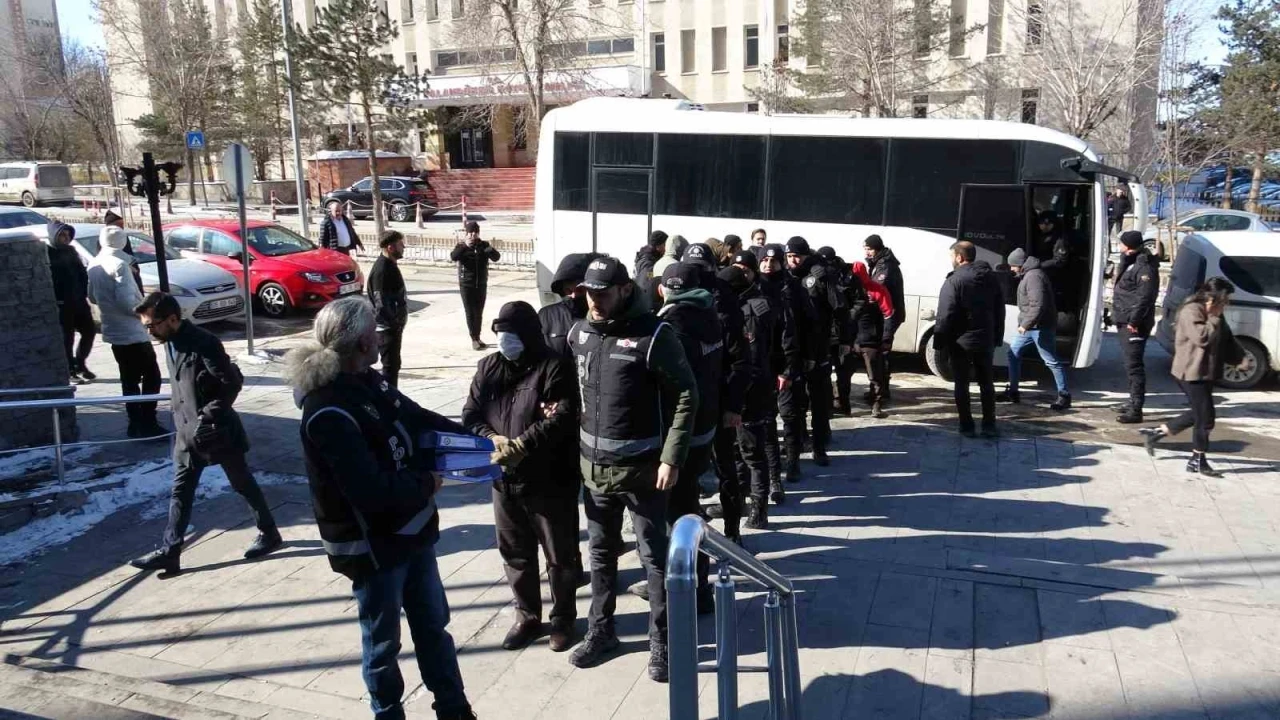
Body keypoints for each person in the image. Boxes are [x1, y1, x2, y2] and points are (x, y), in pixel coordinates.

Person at [286, 296, 477, 720]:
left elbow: (416, 417)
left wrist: (477, 441)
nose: (381, 337)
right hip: (373, 549)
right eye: (375, 331)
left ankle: (454, 709)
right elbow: (370, 491)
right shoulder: (328, 411)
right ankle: (388, 712)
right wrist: (427, 483)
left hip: (414, 533)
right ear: (360, 343)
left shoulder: (369, 380)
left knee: (433, 628)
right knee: (383, 645)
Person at [567, 256, 698, 683]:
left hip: (644, 473)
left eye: (603, 293)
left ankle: (663, 639)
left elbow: (686, 395)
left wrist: (671, 457)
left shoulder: (654, 335)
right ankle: (601, 631)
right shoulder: (579, 333)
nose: (595, 301)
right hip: (594, 472)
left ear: (625, 289)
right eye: (589, 293)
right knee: (601, 554)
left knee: (654, 558)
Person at [129, 292, 281, 573]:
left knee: (242, 482)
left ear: (172, 319)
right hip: (186, 433)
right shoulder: (168, 342)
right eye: (146, 327)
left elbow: (231, 382)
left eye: (152, 325)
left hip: (216, 431)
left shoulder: (204, 342)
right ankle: (170, 552)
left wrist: (209, 415)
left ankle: (269, 532)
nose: (149, 332)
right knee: (181, 492)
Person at [462, 301, 581, 652]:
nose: (505, 340)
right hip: (503, 480)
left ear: (528, 334)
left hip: (549, 480)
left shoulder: (553, 366)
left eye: (511, 334)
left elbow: (561, 416)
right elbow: (471, 413)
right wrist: (492, 438)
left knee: (560, 555)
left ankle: (563, 619)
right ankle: (527, 616)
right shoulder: (488, 367)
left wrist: (522, 445)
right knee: (515, 552)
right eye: (500, 333)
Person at [656, 262, 722, 608]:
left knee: (678, 515)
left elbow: (671, 387)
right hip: (705, 425)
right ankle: (698, 585)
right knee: (689, 504)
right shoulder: (710, 317)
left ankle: (692, 588)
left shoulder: (672, 326)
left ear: (662, 290)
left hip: (680, 433)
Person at [1141, 278, 1247, 478]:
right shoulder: (1191, 311)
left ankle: (1158, 432)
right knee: (1204, 417)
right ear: (1214, 298)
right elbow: (1202, 337)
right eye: (1225, 299)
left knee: (1201, 413)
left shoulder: (1215, 312)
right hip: (1190, 372)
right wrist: (1213, 317)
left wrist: (1240, 358)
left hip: (1207, 372)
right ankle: (1197, 460)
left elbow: (1227, 338)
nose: (1227, 303)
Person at [681, 243, 749, 539]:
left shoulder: (723, 299)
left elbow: (740, 359)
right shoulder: (677, 295)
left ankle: (733, 531)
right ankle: (689, 531)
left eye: (701, 270)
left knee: (726, 468)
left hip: (719, 397)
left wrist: (733, 405)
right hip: (686, 400)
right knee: (685, 472)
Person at [88, 227, 167, 439]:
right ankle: (148, 422)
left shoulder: (94, 263)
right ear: (122, 242)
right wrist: (147, 313)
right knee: (152, 376)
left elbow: (92, 297)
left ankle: (134, 423)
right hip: (131, 332)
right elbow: (127, 303)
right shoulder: (120, 265)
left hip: (113, 330)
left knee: (129, 379)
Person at [720, 263, 778, 529]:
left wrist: (739, 396)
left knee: (752, 453)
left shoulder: (750, 312)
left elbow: (750, 360)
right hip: (740, 390)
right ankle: (739, 500)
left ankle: (759, 508)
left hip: (750, 391)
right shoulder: (740, 307)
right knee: (735, 451)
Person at [934, 241, 1005, 438]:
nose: (951, 259)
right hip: (985, 339)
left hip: (961, 343)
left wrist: (939, 341)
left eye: (951, 256)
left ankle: (967, 426)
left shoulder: (954, 280)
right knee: (986, 383)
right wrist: (997, 336)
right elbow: (1000, 310)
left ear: (959, 257)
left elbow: (945, 314)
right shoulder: (991, 278)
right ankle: (989, 425)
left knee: (962, 384)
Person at [785, 237, 842, 469]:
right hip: (794, 348)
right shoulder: (787, 276)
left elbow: (839, 308)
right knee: (794, 401)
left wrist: (839, 341)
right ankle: (797, 443)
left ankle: (819, 447)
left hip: (818, 347)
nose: (793, 261)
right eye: (789, 256)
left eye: (797, 256)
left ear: (806, 255)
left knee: (818, 401)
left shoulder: (820, 275)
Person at [758, 243, 808, 494]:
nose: (769, 265)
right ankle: (771, 473)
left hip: (788, 362)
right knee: (766, 421)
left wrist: (791, 368)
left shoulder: (792, 288)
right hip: (762, 366)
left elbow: (804, 326)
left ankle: (793, 461)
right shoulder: (754, 289)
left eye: (774, 261)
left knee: (789, 415)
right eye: (765, 261)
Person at [1000, 248, 1071, 411]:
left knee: (1051, 360)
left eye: (1013, 265)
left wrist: (1025, 325)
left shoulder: (1033, 277)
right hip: (1033, 326)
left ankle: (1064, 395)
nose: (1011, 269)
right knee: (1013, 354)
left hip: (1040, 327)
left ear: (1020, 264)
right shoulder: (1030, 274)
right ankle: (1013, 392)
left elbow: (1038, 305)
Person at [1111, 231, 1161, 424]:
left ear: (1129, 246)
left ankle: (1136, 409)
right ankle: (1132, 401)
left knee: (1134, 366)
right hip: (1125, 319)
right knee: (1129, 364)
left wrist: (1134, 321)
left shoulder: (1144, 267)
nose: (1119, 246)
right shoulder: (1131, 260)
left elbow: (1145, 297)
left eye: (1121, 243)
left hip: (1135, 325)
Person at [47, 222, 96, 383]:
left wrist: (83, 293)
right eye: (62, 235)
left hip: (79, 302)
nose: (66, 238)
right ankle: (70, 370)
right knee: (67, 338)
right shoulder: (48, 253)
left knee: (89, 331)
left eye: (68, 235)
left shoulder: (71, 251)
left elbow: (82, 274)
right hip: (62, 304)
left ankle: (80, 363)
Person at [540, 252, 602, 362]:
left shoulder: (601, 316)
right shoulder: (547, 315)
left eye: (580, 290)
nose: (574, 296)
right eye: (568, 290)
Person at [865, 235, 904, 401]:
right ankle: (878, 389)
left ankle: (881, 390)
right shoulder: (878, 263)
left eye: (869, 249)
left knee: (883, 350)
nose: (866, 253)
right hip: (884, 314)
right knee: (880, 350)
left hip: (888, 315)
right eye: (865, 249)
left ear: (877, 248)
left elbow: (875, 289)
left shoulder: (886, 265)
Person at [451, 220, 500, 350]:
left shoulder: (484, 245)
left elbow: (496, 257)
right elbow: (453, 257)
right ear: (466, 234)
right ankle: (473, 338)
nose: (473, 235)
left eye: (475, 232)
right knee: (470, 312)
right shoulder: (461, 246)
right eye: (470, 232)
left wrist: (488, 248)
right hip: (466, 284)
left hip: (481, 284)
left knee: (479, 312)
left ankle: (478, 337)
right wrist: (465, 246)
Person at [368, 231, 409, 388]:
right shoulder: (382, 270)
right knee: (390, 367)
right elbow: (380, 303)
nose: (403, 247)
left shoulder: (390, 265)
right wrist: (394, 323)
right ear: (391, 248)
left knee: (394, 365)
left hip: (392, 327)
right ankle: (389, 398)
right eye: (400, 244)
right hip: (386, 329)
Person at [851, 261, 891, 418]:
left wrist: (886, 338)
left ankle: (877, 404)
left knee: (875, 375)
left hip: (870, 340)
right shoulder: (848, 290)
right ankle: (840, 402)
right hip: (852, 339)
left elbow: (888, 314)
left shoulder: (877, 289)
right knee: (844, 373)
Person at [102, 210, 144, 292]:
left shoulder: (123, 238)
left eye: (122, 225)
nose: (121, 227)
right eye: (118, 225)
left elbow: (129, 254)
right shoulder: (104, 242)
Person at [634, 231, 667, 313]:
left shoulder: (647, 258)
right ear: (658, 246)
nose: (666, 248)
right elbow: (646, 285)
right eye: (665, 245)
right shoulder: (648, 263)